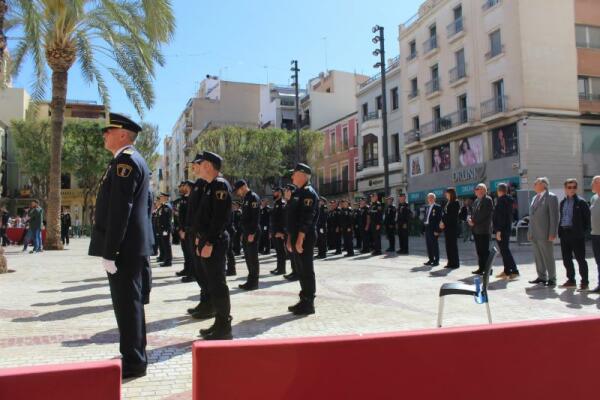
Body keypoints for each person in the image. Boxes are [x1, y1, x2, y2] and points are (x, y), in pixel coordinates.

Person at [88, 113, 153, 379]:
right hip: (132, 246)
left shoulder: (125, 162)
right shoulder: (131, 161)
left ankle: (134, 361)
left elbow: (120, 210)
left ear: (124, 134)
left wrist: (111, 250)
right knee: (131, 305)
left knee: (127, 306)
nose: (105, 134)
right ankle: (135, 354)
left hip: (124, 249)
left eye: (109, 130)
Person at [190, 151, 234, 341]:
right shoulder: (210, 186)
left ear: (208, 165)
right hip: (207, 240)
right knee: (213, 284)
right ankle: (219, 322)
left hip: (215, 242)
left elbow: (219, 219)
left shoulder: (220, 185)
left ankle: (224, 325)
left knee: (218, 283)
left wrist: (209, 241)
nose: (198, 167)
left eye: (201, 164)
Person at [286, 163, 319, 315]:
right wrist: (289, 238)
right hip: (296, 236)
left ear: (303, 174)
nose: (292, 176)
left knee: (306, 269)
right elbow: (291, 218)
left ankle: (309, 302)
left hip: (305, 237)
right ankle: (304, 299)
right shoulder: (298, 193)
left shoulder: (309, 193)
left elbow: (307, 219)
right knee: (300, 269)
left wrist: (299, 239)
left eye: (294, 173)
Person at [186, 156, 212, 317]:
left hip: (200, 234)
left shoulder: (205, 185)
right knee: (198, 271)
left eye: (195, 165)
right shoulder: (198, 185)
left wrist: (200, 234)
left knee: (204, 272)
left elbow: (204, 213)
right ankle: (204, 302)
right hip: (193, 232)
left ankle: (209, 305)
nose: (193, 168)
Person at [558, 179, 590, 290]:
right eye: (569, 187)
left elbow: (587, 220)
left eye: (574, 187)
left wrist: (583, 234)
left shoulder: (581, 202)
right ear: (565, 189)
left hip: (577, 235)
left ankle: (584, 282)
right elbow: (562, 217)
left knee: (580, 259)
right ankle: (571, 280)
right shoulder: (562, 202)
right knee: (566, 259)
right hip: (564, 234)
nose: (572, 189)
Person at [527, 177, 559, 287]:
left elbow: (554, 217)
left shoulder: (551, 197)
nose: (534, 184)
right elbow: (531, 216)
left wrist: (552, 233)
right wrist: (530, 232)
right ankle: (541, 276)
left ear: (543, 185)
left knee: (548, 256)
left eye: (536, 183)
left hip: (545, 233)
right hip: (535, 233)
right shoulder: (535, 197)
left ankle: (552, 278)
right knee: (538, 256)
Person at [234, 180, 261, 290]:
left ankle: (254, 282)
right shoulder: (246, 198)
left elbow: (255, 217)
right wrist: (243, 233)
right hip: (246, 232)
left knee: (252, 258)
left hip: (252, 232)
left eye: (238, 189)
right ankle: (250, 280)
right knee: (248, 258)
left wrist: (252, 233)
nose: (238, 192)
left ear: (244, 186)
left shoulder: (253, 197)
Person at [493, 183, 519, 279]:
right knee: (504, 251)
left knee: (505, 250)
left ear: (499, 191)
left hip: (502, 230)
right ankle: (507, 270)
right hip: (506, 228)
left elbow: (501, 217)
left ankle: (514, 270)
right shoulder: (508, 200)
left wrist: (498, 230)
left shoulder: (501, 201)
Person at [468, 184, 493, 275]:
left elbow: (484, 214)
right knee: (479, 251)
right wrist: (470, 219)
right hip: (476, 230)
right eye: (475, 189)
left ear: (483, 190)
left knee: (485, 251)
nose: (475, 190)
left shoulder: (488, 200)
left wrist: (473, 221)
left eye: (477, 189)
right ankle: (481, 268)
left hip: (484, 230)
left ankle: (488, 269)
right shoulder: (476, 201)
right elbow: (473, 213)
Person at [175, 181, 193, 279]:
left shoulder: (191, 198)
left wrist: (184, 230)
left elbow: (188, 217)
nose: (180, 188)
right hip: (183, 229)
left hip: (188, 230)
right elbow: (180, 216)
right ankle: (187, 269)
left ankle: (192, 272)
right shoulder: (183, 199)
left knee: (190, 252)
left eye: (182, 186)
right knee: (186, 251)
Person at [282, 183, 299, 281]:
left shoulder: (294, 202)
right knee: (292, 254)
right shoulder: (289, 202)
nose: (285, 192)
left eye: (287, 191)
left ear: (291, 192)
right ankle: (294, 271)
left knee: (295, 254)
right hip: (290, 231)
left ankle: (297, 273)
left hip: (294, 232)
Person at [269, 186, 287, 275]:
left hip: (279, 232)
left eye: (275, 192)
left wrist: (281, 232)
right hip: (275, 231)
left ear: (280, 193)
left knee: (281, 251)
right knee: (278, 251)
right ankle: (279, 267)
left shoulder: (282, 204)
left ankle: (282, 269)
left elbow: (283, 220)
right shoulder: (276, 203)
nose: (273, 193)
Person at [440, 188, 459, 269]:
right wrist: (442, 221)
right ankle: (450, 262)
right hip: (447, 227)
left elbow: (452, 216)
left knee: (453, 246)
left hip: (452, 227)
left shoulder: (455, 202)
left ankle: (455, 263)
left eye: (447, 193)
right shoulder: (448, 202)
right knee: (448, 245)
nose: (445, 194)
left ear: (451, 194)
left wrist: (444, 222)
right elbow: (444, 214)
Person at [423, 193, 442, 266]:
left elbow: (439, 219)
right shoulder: (427, 207)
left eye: (431, 198)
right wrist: (423, 229)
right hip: (427, 228)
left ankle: (436, 261)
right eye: (429, 198)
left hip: (434, 229)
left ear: (434, 199)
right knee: (429, 245)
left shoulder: (438, 207)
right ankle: (431, 259)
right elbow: (425, 218)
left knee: (434, 245)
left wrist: (438, 230)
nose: (430, 199)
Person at [589, 176, 600, 294]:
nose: (591, 185)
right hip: (595, 234)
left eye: (593, 183)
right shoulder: (593, 198)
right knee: (598, 261)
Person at [156, 192, 173, 267]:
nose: (160, 198)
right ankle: (166, 259)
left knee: (167, 245)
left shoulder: (167, 207)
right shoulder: (163, 206)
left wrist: (166, 230)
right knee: (164, 245)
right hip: (162, 229)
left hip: (165, 229)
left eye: (162, 197)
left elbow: (167, 220)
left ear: (166, 198)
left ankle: (168, 261)